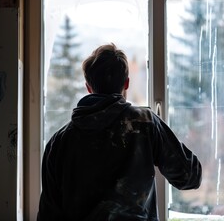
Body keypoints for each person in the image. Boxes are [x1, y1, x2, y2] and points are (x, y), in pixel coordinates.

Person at [37, 43, 202, 221]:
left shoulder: (59, 142)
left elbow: (49, 215)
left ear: (88, 87)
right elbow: (190, 177)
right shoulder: (144, 123)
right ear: (127, 83)